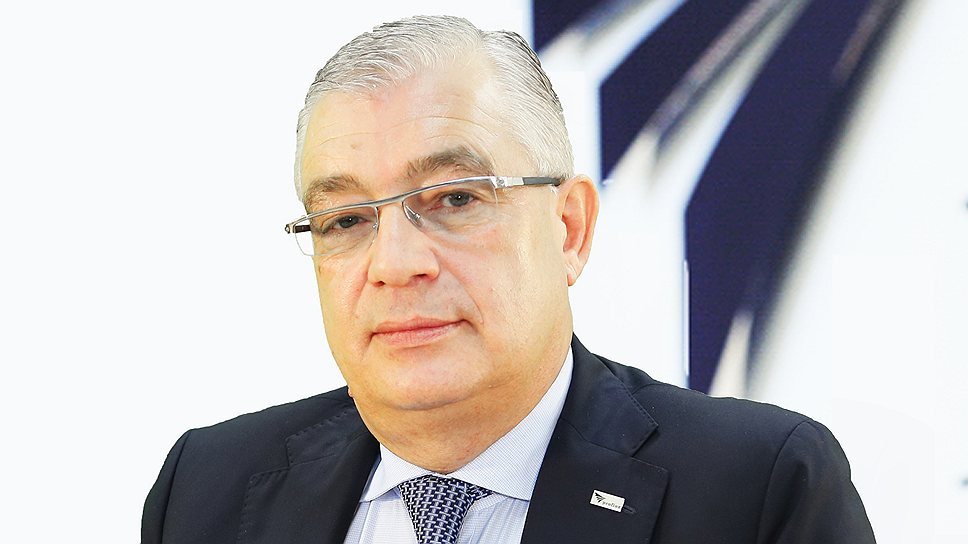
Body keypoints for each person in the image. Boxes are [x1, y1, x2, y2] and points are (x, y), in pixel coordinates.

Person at [142, 15, 874, 544]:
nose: (394, 265)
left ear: (569, 228)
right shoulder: (207, 490)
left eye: (455, 199)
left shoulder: (758, 490)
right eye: (345, 220)